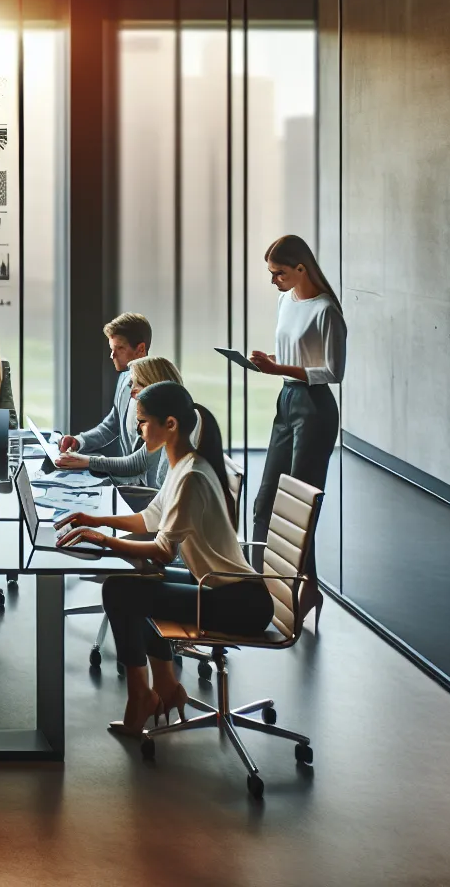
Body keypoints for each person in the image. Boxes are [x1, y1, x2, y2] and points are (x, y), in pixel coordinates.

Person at [52, 381, 274, 735]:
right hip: (219, 587)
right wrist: (94, 520)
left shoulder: (191, 477)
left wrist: (104, 540)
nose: (139, 430)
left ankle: (145, 695)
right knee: (136, 583)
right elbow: (149, 520)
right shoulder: (183, 465)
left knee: (121, 592)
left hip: (239, 601)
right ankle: (165, 687)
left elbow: (162, 549)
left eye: (143, 422)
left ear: (170, 424)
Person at [246, 234, 344, 627]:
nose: (274, 282)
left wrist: (280, 369)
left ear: (301, 268)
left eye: (279, 273)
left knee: (298, 506)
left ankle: (301, 588)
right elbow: (294, 356)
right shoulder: (286, 301)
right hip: (286, 402)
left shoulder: (327, 311)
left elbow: (333, 372)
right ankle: (265, 587)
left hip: (315, 408)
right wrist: (271, 363)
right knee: (267, 501)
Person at [56, 355, 184, 488]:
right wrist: (83, 455)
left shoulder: (167, 425)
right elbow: (137, 460)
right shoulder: (160, 419)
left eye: (136, 385)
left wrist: (86, 461)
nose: (132, 392)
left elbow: (135, 465)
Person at [57, 313, 153, 481]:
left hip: (148, 492)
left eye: (120, 349)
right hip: (127, 482)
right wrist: (78, 441)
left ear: (141, 349)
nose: (112, 356)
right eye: (111, 349)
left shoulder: (157, 393)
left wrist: (88, 461)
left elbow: (139, 463)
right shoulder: (124, 380)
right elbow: (111, 426)